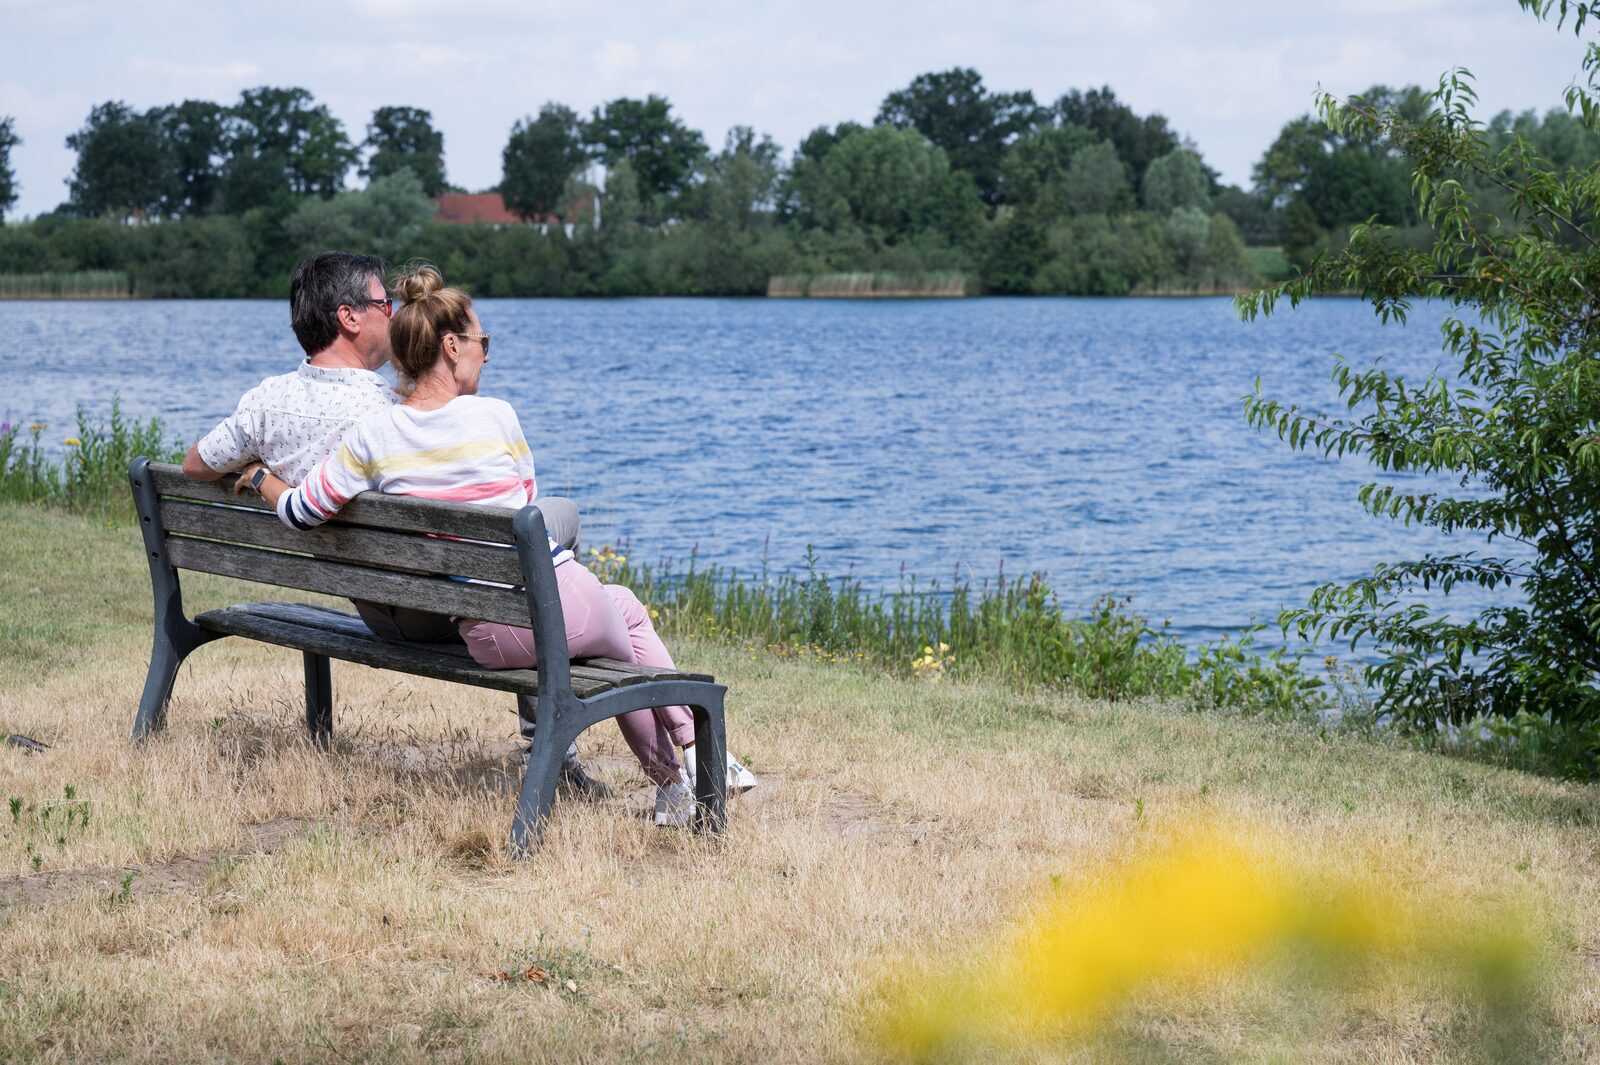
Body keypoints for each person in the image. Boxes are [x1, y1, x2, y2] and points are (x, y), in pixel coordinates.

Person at [237, 264, 753, 825]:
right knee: (622, 620)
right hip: (545, 612)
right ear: (452, 346)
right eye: (484, 341)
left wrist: (262, 477)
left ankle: (680, 778)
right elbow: (527, 508)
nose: (487, 353)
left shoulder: (372, 434)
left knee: (616, 624)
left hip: (484, 634)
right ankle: (690, 765)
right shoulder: (497, 415)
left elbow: (300, 510)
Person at [182, 251, 599, 793]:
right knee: (547, 524)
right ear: (349, 318)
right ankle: (551, 742)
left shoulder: (267, 403)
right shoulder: (394, 411)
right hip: (443, 608)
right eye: (386, 303)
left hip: (371, 604)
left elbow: (195, 465)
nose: (398, 313)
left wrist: (262, 474)